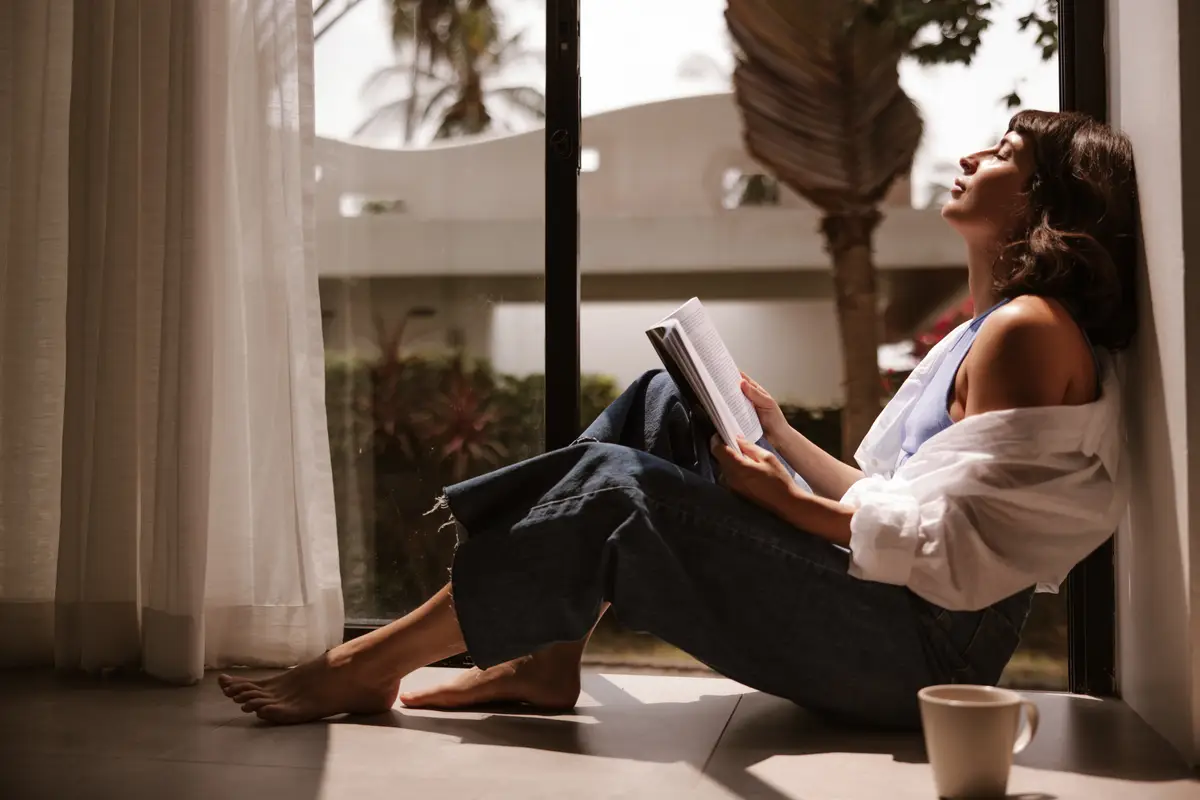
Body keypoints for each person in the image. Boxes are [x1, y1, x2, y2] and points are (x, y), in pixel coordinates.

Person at [219, 110, 1139, 728]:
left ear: (1044, 200)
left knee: (618, 491)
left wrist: (778, 499)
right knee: (668, 401)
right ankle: (541, 661)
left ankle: (366, 665)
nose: (972, 158)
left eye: (1003, 156)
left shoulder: (1026, 328)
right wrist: (776, 433)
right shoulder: (987, 328)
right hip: (907, 617)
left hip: (928, 655)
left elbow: (954, 556)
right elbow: (898, 501)